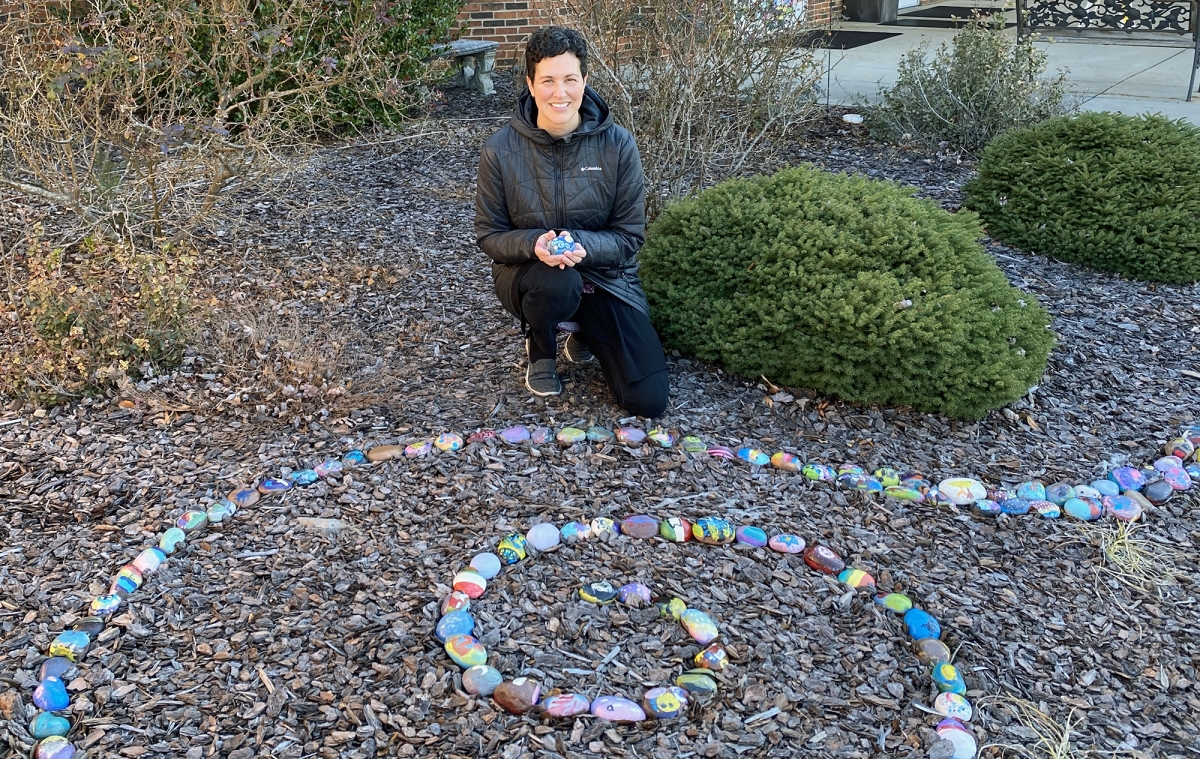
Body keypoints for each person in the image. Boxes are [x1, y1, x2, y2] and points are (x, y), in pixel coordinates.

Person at [475, 26, 669, 419]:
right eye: (547, 80)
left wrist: (582, 245)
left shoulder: (618, 144)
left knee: (647, 400)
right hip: (531, 275)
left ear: (585, 80)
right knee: (558, 281)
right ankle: (542, 346)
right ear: (530, 83)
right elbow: (490, 236)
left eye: (569, 79)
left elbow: (629, 237)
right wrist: (535, 245)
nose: (559, 93)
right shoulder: (499, 149)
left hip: (604, 274)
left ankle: (585, 329)